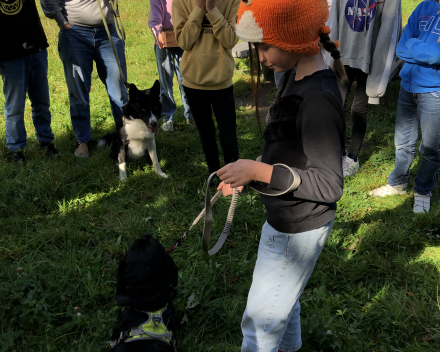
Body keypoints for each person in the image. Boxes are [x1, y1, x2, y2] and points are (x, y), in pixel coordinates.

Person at [217, 1, 346, 350]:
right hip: (284, 220)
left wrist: (259, 169)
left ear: (293, 40)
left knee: (260, 324)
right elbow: (288, 150)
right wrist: (251, 173)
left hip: (297, 228)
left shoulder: (317, 101)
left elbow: (330, 184)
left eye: (264, 46)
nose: (259, 56)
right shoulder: (294, 76)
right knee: (281, 302)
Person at [369, 0, 440, 214]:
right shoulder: (424, 7)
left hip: (434, 90)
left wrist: (414, 45)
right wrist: (422, 50)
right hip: (407, 85)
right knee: (402, 141)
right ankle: (397, 183)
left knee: (430, 148)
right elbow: (401, 47)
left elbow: (436, 55)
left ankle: (423, 191)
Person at [40, 0, 128, 157]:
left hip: (107, 31)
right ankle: (83, 141)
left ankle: (125, 136)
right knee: (78, 91)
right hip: (75, 33)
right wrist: (63, 23)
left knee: (118, 89)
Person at [328, 0, 402, 177]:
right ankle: (337, 152)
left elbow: (390, 29)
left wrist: (380, 67)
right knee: (337, 104)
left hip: (370, 56)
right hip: (343, 54)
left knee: (359, 107)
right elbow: (334, 18)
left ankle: (353, 156)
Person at [172, 0, 240, 174]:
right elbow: (184, 42)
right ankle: (214, 174)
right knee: (206, 133)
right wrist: (199, 9)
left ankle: (233, 177)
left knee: (228, 135)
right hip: (193, 81)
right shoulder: (180, 1)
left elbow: (231, 40)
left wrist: (212, 9)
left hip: (221, 80)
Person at [0, 0, 57, 163]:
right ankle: (16, 150)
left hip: (35, 48)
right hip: (9, 55)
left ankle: (46, 142)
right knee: (15, 106)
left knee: (41, 101)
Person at [149, 0, 195, 132]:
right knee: (165, 82)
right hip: (164, 39)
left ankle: (191, 115)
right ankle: (168, 118)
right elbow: (155, 15)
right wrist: (157, 32)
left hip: (183, 37)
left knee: (186, 79)